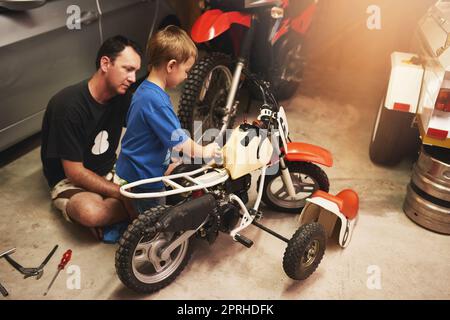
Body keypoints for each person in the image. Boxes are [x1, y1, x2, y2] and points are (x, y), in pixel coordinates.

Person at [41, 35, 142, 242]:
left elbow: (145, 132)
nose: (133, 78)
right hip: (70, 180)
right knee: (91, 212)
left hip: (107, 170)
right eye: (128, 69)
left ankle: (118, 210)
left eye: (136, 71)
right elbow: (75, 173)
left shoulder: (122, 97)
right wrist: (122, 194)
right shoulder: (67, 106)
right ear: (106, 63)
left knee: (164, 170)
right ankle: (124, 208)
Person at [116, 25, 220, 215]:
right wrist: (205, 151)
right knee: (157, 219)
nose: (187, 76)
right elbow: (180, 143)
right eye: (187, 70)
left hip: (134, 164)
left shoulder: (143, 90)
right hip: (145, 175)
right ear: (171, 66)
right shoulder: (158, 102)